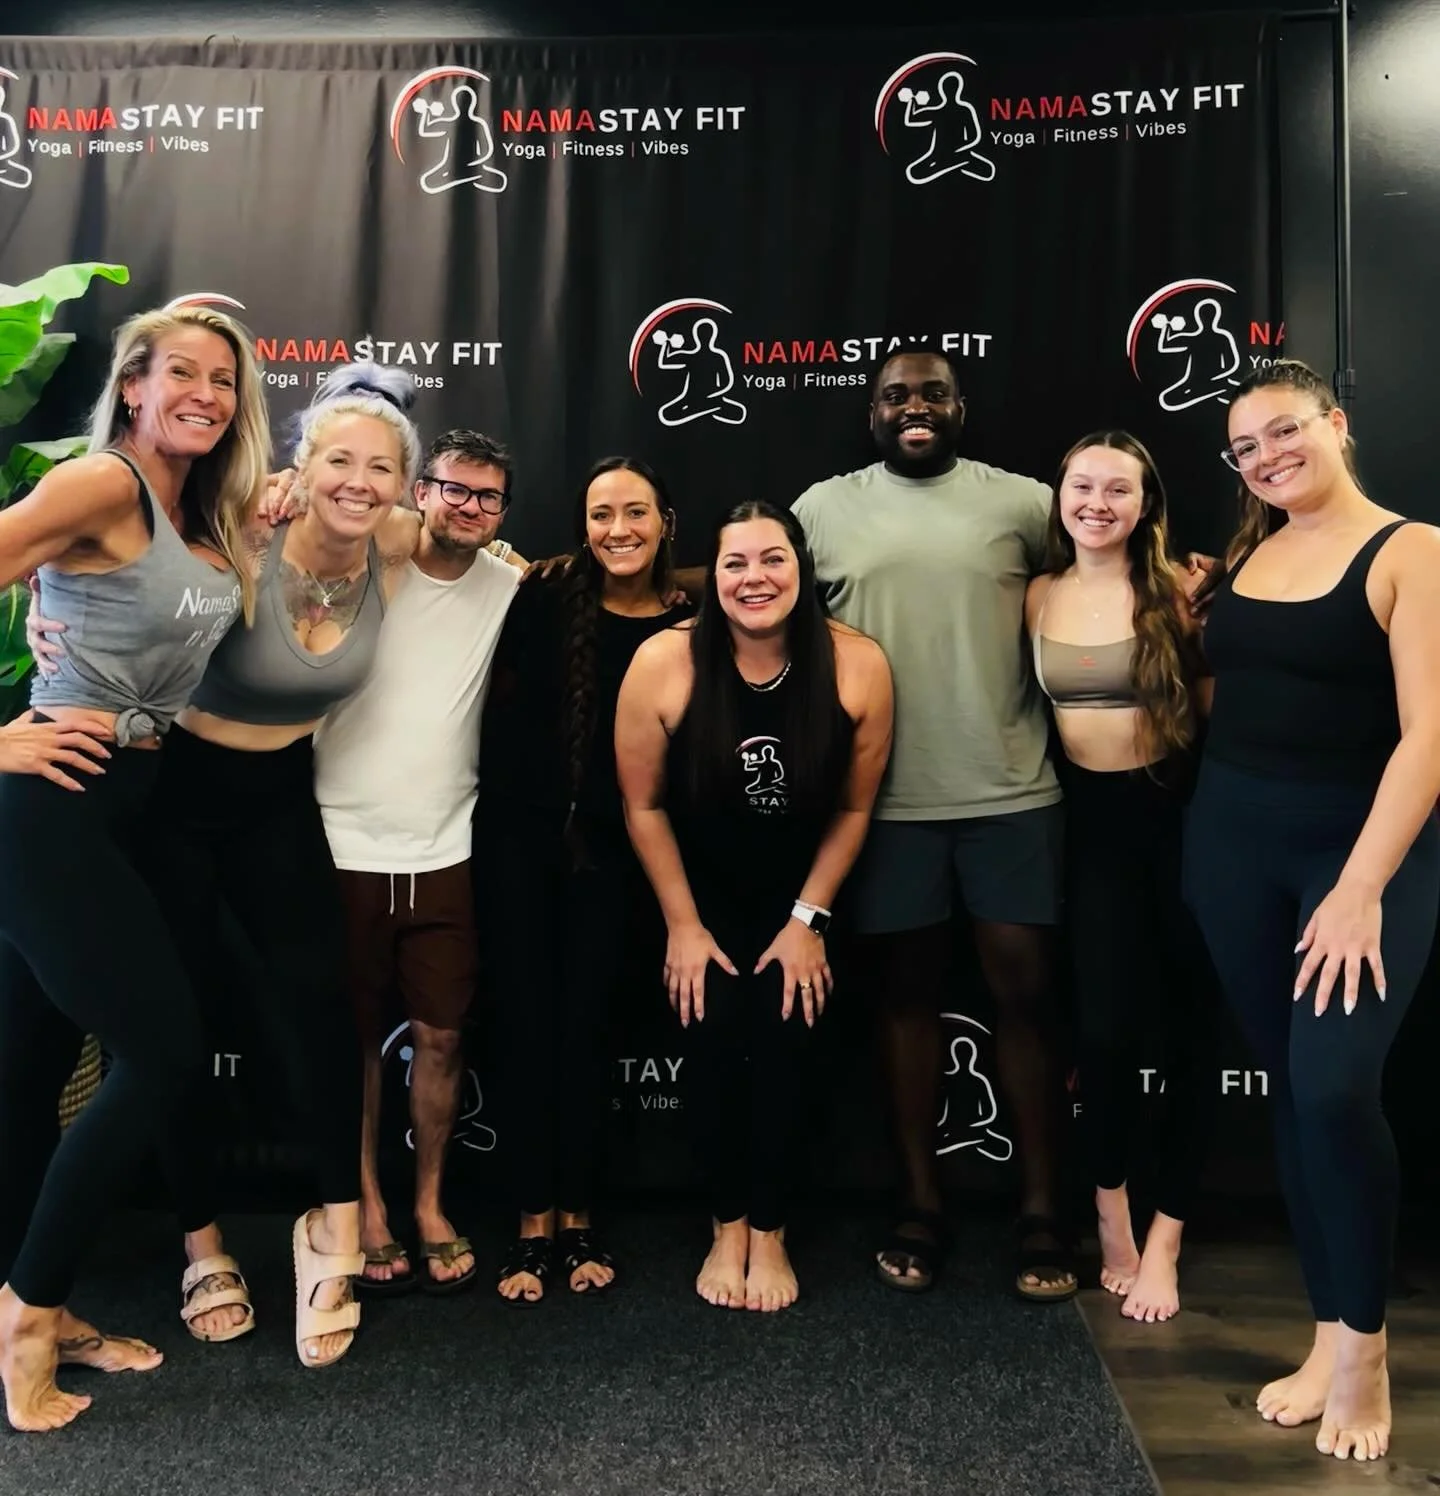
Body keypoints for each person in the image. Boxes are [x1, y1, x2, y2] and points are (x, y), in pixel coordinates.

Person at [0, 303, 267, 1430]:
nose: (205, 392)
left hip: (128, 806)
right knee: (161, 1056)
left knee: (28, 1063)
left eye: (224, 379)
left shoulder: (201, 509)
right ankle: (29, 1309)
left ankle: (35, 1305)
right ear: (136, 386)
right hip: (51, 798)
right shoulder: (103, 485)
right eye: (183, 375)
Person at [1183, 359, 1440, 1463]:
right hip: (1232, 844)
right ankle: (1330, 1329)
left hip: (1360, 849)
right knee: (1294, 1087)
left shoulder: (1411, 549)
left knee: (1336, 1087)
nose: (1267, 456)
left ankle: (1368, 1347)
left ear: (1335, 422)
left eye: (1284, 432)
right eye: (1245, 447)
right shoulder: (1252, 550)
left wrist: (1359, 885)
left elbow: (1430, 736)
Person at [791, 348, 1074, 1300]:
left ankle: (1042, 1212)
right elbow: (756, 600)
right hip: (884, 809)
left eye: (933, 393)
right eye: (895, 395)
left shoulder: (1027, 503)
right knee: (903, 1006)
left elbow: (1110, 573)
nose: (915, 407)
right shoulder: (824, 508)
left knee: (1026, 1006)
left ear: (962, 407)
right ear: (870, 412)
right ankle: (918, 1204)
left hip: (1011, 795)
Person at [616, 500, 893, 1311]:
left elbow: (852, 809)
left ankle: (769, 1228)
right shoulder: (662, 662)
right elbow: (644, 806)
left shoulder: (856, 664)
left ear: (801, 569)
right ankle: (725, 1224)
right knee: (707, 1043)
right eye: (735, 563)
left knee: (786, 1045)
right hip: (694, 893)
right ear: (714, 576)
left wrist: (809, 922)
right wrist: (682, 925)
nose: (754, 578)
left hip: (799, 896)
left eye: (772, 559)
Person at [313, 430, 522, 1297]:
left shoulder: (510, 587)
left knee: (441, 1036)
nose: (468, 507)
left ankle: (430, 1203)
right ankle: (366, 1204)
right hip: (341, 842)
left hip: (447, 849)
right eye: (452, 489)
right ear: (418, 491)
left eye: (488, 497)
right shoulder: (363, 567)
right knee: (356, 1043)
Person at [481, 457, 692, 1303]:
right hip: (516, 844)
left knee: (590, 1029)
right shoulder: (542, 593)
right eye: (601, 513)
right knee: (526, 1028)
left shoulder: (690, 619)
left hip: (622, 855)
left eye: (635, 512)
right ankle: (531, 1221)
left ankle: (580, 1217)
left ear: (666, 518)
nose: (619, 530)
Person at [1024, 431, 1216, 1323]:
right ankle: (1112, 1220)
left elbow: (1215, 724)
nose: (1097, 502)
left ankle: (1168, 1238)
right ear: (1060, 495)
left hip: (1178, 825)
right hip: (1088, 833)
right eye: (1083, 486)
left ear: (1146, 505)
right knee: (1100, 1040)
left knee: (1187, 1044)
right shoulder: (1039, 595)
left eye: (1119, 490)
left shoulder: (1180, 593)